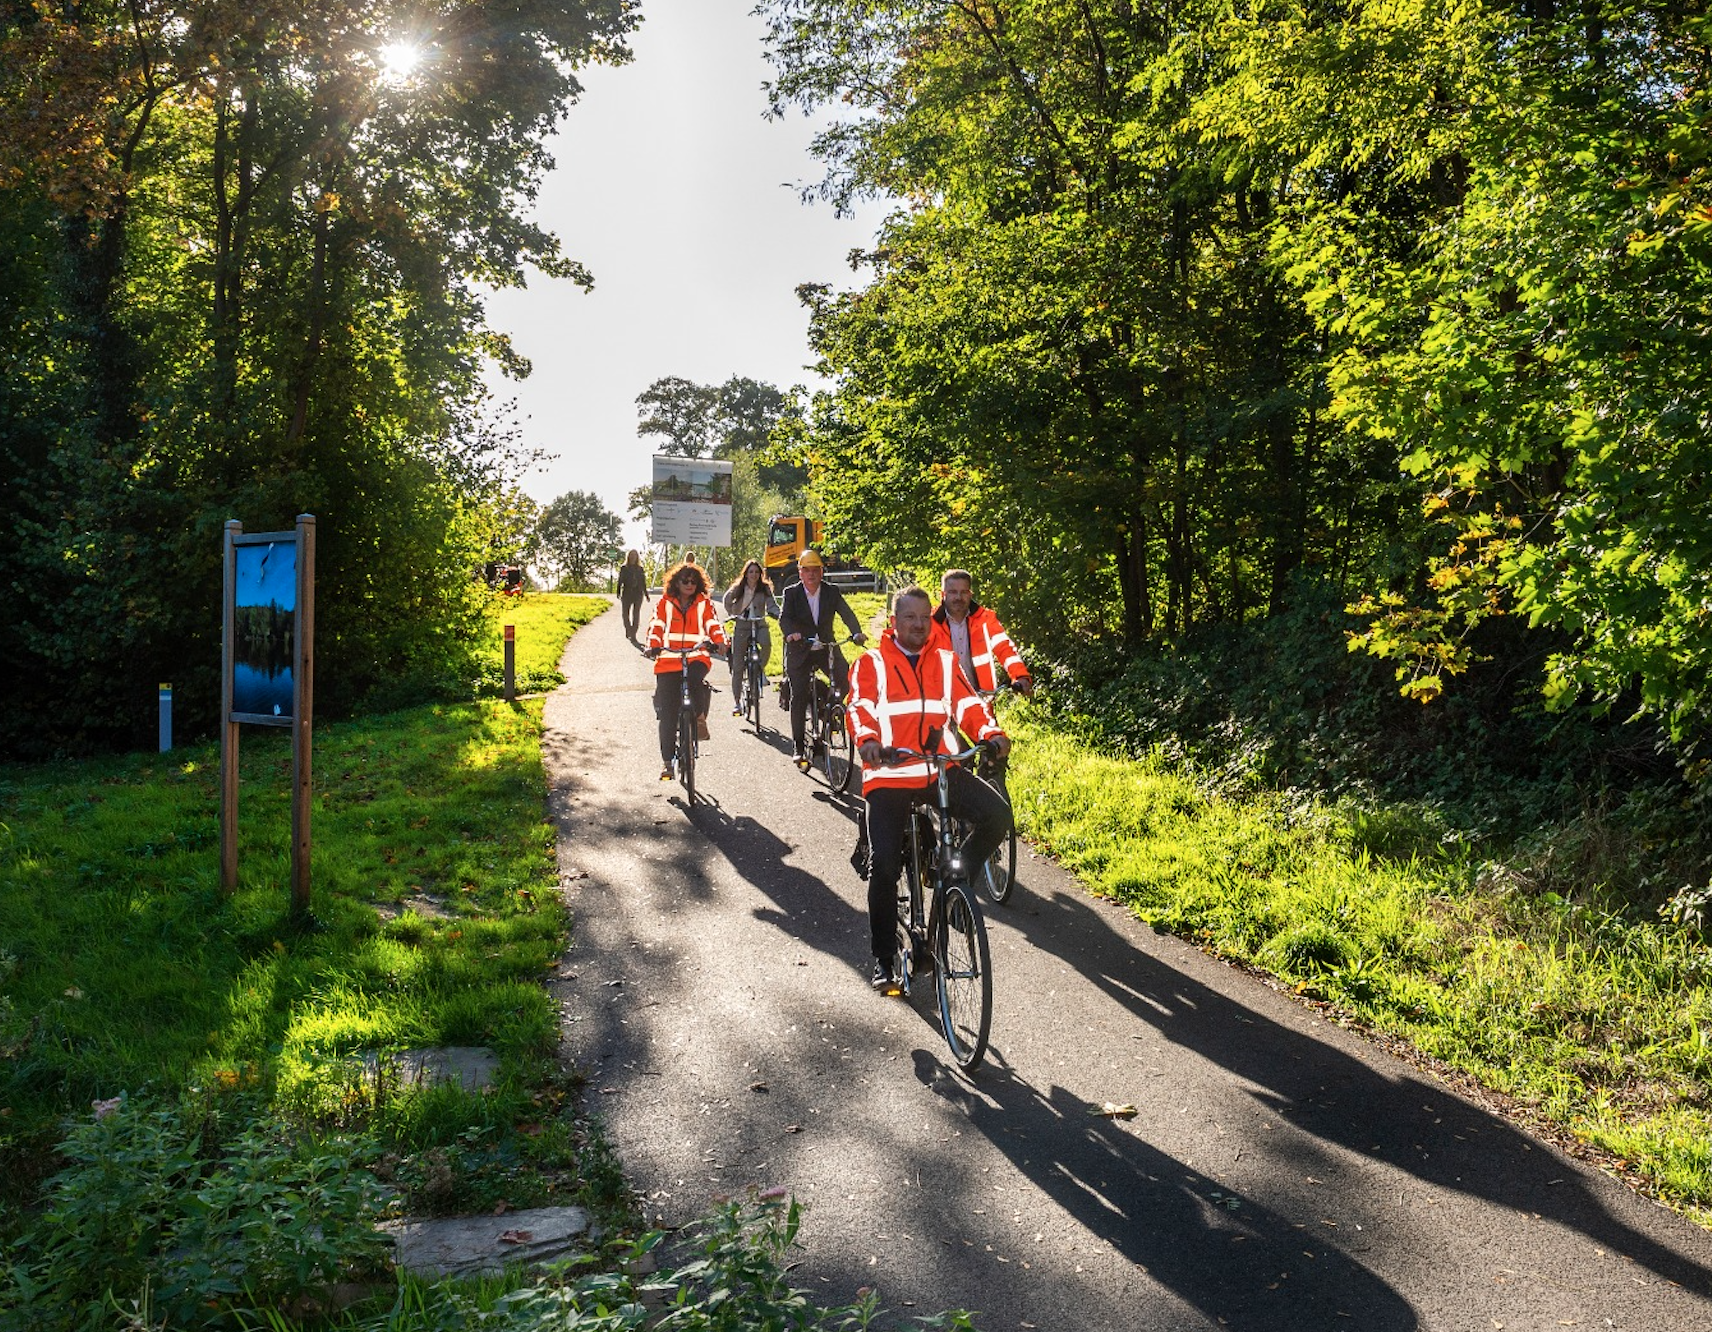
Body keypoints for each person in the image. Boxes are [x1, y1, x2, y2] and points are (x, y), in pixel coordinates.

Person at [847, 585, 1011, 994]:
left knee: (998, 816)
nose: (919, 625)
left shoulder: (943, 660)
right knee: (885, 865)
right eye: (910, 618)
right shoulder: (872, 662)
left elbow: (967, 703)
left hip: (938, 769)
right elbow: (860, 706)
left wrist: (990, 732)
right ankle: (883, 959)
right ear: (894, 621)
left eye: (924, 617)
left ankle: (955, 885)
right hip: (889, 774)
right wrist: (867, 739)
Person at [927, 568, 1033, 794]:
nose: (958, 597)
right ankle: (958, 811)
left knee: (995, 754)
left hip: (981, 698)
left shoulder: (985, 619)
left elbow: (1005, 648)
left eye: (964, 592)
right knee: (957, 759)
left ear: (970, 593)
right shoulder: (930, 624)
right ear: (942, 594)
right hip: (945, 702)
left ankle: (993, 803)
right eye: (952, 592)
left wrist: (1020, 675)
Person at [777, 549, 866, 770]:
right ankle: (798, 747)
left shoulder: (831, 592)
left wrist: (856, 632)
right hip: (800, 649)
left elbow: (847, 614)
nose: (811, 574)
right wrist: (791, 633)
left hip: (826, 648)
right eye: (806, 570)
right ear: (800, 573)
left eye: (815, 570)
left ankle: (830, 711)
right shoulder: (791, 593)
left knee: (845, 680)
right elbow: (784, 617)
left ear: (821, 571)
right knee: (798, 695)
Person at [643, 561, 728, 782]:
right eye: (685, 581)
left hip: (695, 655)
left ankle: (699, 719)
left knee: (694, 680)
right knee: (668, 714)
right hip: (669, 659)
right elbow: (657, 625)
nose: (690, 584)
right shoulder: (664, 603)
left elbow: (713, 624)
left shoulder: (703, 603)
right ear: (676, 583)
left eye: (694, 581)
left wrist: (720, 642)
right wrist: (652, 644)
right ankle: (667, 763)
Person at [721, 559, 778, 713]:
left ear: (760, 574)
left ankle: (760, 670)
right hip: (742, 626)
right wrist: (733, 612)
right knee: (738, 665)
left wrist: (776, 613)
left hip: (759, 623)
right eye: (751, 572)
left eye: (757, 572)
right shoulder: (738, 588)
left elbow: (772, 604)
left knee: (766, 643)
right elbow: (726, 600)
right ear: (746, 574)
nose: (754, 575)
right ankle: (737, 702)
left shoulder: (764, 589)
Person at [618, 550, 650, 643]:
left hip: (638, 593)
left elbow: (643, 583)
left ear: (637, 557)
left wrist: (646, 594)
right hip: (627, 593)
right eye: (631, 555)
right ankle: (628, 629)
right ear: (628, 557)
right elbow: (620, 581)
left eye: (635, 556)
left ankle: (633, 634)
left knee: (636, 614)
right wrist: (618, 592)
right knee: (625, 614)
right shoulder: (624, 568)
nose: (633, 557)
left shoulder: (640, 569)